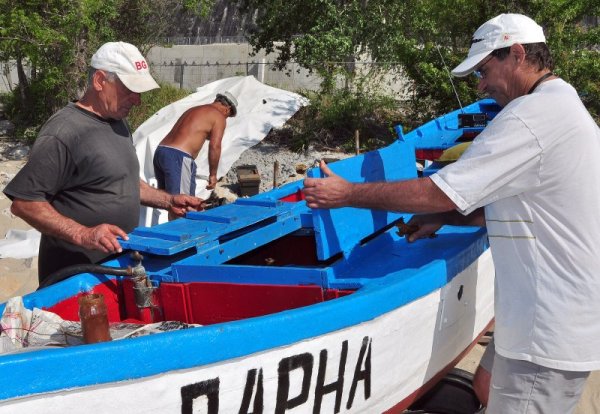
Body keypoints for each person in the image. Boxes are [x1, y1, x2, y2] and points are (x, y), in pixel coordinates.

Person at [303, 13, 600, 414]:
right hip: (540, 317)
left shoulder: (531, 118)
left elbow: (438, 191)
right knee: (487, 383)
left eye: (484, 70)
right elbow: (513, 206)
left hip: (546, 332)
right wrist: (448, 218)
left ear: (516, 54)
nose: (481, 85)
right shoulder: (559, 104)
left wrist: (347, 193)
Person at [3, 41, 204, 286]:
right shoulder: (64, 132)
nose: (137, 100)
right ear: (99, 81)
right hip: (74, 276)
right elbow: (25, 203)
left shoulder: (118, 123)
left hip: (117, 266)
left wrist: (169, 201)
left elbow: (123, 182)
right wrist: (83, 234)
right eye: (130, 89)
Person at [153, 91, 238, 200]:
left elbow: (193, 132)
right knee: (184, 203)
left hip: (161, 152)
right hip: (178, 157)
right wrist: (213, 174)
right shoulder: (219, 116)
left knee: (169, 201)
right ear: (227, 109)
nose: (226, 118)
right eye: (228, 116)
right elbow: (215, 146)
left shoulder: (194, 110)